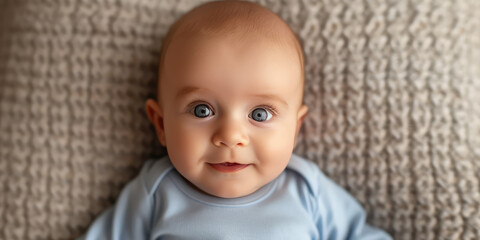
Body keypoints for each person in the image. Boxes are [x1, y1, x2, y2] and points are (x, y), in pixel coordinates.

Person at [80, 1, 392, 239]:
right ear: (161, 124)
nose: (230, 136)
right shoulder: (157, 192)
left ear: (295, 130)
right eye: (202, 110)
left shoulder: (306, 190)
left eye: (260, 114)